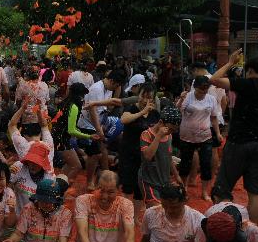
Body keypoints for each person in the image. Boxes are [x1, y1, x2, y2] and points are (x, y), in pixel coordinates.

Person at [209, 49, 258, 224]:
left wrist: (230, 62)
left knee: (222, 189)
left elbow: (213, 80)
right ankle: (253, 231)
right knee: (255, 193)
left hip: (239, 142)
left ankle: (225, 227)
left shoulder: (247, 84)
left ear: (250, 70)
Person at [78, 69, 126, 189]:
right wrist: (99, 130)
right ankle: (90, 181)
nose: (116, 88)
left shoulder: (108, 88)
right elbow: (93, 111)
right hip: (88, 124)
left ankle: (107, 175)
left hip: (99, 122)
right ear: (111, 80)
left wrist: (103, 126)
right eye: (116, 85)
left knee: (103, 149)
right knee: (94, 154)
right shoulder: (96, 89)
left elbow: (108, 107)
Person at [177, 76, 220, 200]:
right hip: (186, 136)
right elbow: (177, 111)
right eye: (200, 91)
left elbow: (213, 118)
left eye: (205, 91)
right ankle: (184, 187)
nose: (202, 93)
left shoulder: (211, 99)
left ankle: (205, 191)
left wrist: (217, 133)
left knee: (206, 163)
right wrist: (180, 99)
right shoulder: (187, 96)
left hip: (205, 136)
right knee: (185, 163)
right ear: (195, 88)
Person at [119, 82, 159, 215]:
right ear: (138, 95)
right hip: (129, 154)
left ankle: (135, 216)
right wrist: (142, 112)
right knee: (127, 187)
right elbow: (124, 120)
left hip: (144, 157)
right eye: (143, 96)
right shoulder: (131, 108)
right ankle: (125, 216)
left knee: (139, 188)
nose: (145, 100)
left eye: (149, 97)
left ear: (153, 99)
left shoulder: (154, 114)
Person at [138, 106, 182, 205]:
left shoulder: (169, 136)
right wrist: (158, 136)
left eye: (174, 130)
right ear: (161, 122)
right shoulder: (146, 135)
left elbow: (169, 157)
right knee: (157, 212)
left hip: (164, 182)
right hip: (149, 181)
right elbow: (148, 156)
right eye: (170, 129)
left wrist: (177, 176)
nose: (171, 132)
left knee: (164, 212)